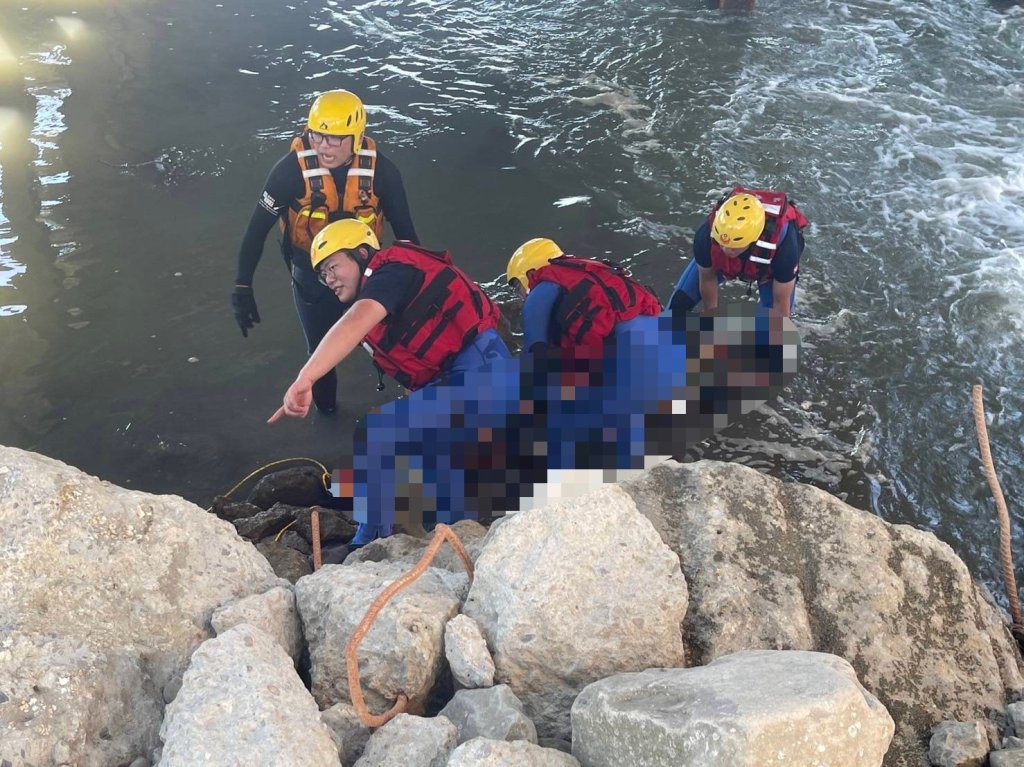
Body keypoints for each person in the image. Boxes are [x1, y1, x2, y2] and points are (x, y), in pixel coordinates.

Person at [268, 218, 511, 545]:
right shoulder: (388, 299)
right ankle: (455, 538)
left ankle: (367, 543)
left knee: (376, 432)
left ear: (363, 253)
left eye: (332, 266)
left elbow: (353, 323)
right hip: (465, 382)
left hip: (484, 373)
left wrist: (305, 377)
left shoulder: (392, 272)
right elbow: (419, 381)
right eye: (322, 273)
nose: (328, 279)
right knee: (430, 460)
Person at [232, 89, 420, 413]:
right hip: (313, 279)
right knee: (319, 355)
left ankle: (418, 412)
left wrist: (418, 290)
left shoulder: (382, 173)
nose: (324, 146)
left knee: (401, 347)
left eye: (335, 139)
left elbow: (407, 239)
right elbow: (255, 232)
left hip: (368, 279)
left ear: (356, 138)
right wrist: (242, 286)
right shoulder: (289, 172)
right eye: (318, 136)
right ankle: (328, 418)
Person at [505, 238, 662, 356]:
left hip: (622, 353)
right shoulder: (593, 269)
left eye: (518, 287)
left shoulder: (541, 288)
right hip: (661, 337)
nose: (520, 295)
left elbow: (534, 352)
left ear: (528, 274)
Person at [667, 187, 808, 318]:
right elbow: (707, 279)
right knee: (677, 307)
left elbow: (780, 306)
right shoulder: (705, 237)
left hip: (768, 267)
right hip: (731, 259)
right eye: (722, 244)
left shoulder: (786, 250)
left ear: (753, 240)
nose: (727, 250)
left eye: (734, 246)